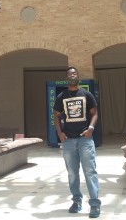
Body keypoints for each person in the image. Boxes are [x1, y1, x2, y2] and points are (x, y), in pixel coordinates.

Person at [54, 67, 101, 218]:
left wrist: (91, 128)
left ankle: (94, 204)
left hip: (85, 139)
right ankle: (76, 201)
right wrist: (59, 133)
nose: (72, 75)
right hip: (68, 141)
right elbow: (56, 116)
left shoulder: (86, 94)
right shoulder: (61, 96)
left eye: (74, 73)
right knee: (72, 173)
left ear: (78, 76)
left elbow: (94, 114)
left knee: (90, 171)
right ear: (66, 77)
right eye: (69, 74)